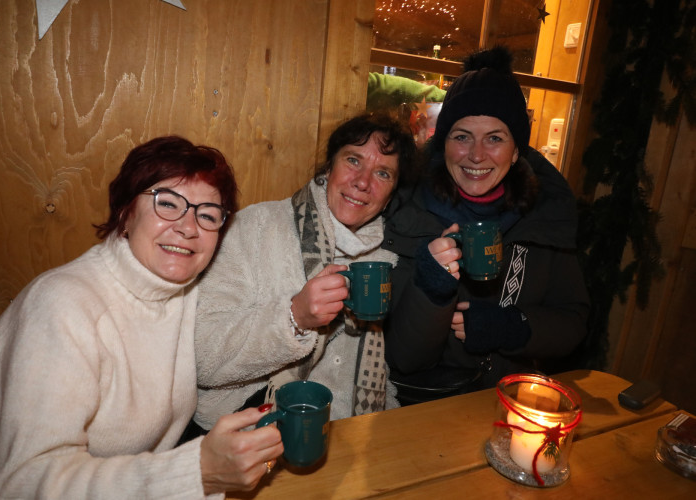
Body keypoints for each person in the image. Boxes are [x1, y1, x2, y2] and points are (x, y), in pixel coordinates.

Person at [0, 137, 320, 498]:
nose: (188, 227)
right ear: (125, 212)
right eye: (168, 203)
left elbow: (224, 348)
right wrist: (195, 473)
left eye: (207, 215)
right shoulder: (61, 306)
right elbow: (25, 484)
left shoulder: (183, 289)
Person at [382, 46, 590, 403]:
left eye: (495, 138)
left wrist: (516, 327)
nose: (477, 155)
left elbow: (573, 322)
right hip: (420, 409)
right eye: (462, 136)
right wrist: (432, 291)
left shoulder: (545, 216)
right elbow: (403, 358)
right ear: (442, 144)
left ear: (516, 150)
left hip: (511, 402)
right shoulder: (405, 212)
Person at [191, 113, 416, 431]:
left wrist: (385, 430)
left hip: (349, 433)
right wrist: (294, 318)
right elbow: (203, 359)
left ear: (391, 194)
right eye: (353, 160)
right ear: (329, 166)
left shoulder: (385, 259)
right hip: (254, 430)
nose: (363, 182)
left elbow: (381, 372)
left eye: (383, 173)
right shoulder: (254, 228)